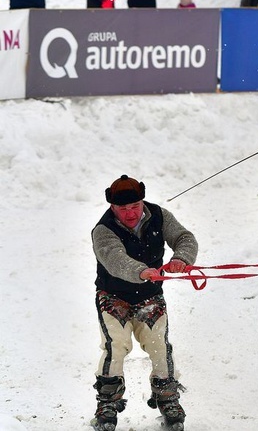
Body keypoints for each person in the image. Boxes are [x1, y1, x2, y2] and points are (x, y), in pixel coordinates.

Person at [91, 175, 198, 431]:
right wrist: (142, 271)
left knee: (159, 347)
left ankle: (168, 398)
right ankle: (107, 403)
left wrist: (182, 258)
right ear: (112, 207)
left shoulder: (160, 216)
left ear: (142, 201)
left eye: (135, 207)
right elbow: (115, 260)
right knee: (115, 346)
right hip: (113, 299)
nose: (130, 214)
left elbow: (185, 238)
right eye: (123, 209)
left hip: (151, 298)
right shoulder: (103, 230)